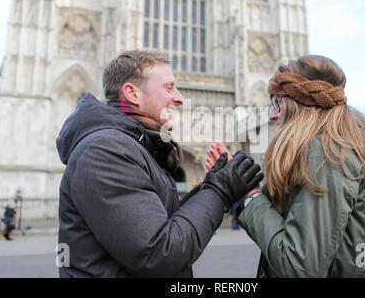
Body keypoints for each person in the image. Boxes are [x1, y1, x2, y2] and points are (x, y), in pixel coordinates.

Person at [56, 50, 264, 278]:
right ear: (132, 93)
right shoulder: (105, 150)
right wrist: (220, 190)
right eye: (168, 88)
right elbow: (159, 253)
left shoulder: (131, 145)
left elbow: (165, 224)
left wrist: (211, 185)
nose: (180, 98)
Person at [206, 55, 365, 278]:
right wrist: (241, 194)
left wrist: (251, 197)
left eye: (277, 102)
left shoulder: (327, 155)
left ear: (302, 106)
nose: (272, 114)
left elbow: (300, 268)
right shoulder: (326, 152)